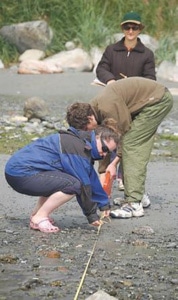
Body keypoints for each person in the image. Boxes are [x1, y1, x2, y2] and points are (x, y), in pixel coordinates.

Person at [67, 77, 173, 218]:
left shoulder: (108, 107)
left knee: (131, 144)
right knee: (128, 144)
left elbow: (122, 134)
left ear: (90, 119)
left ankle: (134, 204)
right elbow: (103, 144)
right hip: (143, 102)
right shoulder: (91, 110)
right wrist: (103, 171)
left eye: (86, 129)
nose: (87, 132)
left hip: (157, 100)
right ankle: (138, 195)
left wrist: (114, 163)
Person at [4, 124, 119, 233]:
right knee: (73, 185)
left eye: (108, 152)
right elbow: (84, 183)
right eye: (104, 148)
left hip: (18, 170)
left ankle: (36, 215)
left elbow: (91, 177)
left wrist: (103, 204)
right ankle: (40, 217)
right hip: (20, 173)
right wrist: (91, 215)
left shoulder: (82, 144)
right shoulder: (77, 148)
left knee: (59, 180)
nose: (104, 154)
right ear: (97, 137)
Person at [95, 11, 156, 191]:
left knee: (129, 141)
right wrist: (112, 81)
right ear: (123, 29)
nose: (130, 30)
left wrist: (131, 85)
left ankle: (124, 179)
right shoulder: (111, 50)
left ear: (139, 29)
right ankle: (104, 175)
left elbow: (150, 79)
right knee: (107, 135)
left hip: (134, 105)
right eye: (127, 27)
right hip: (112, 102)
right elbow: (101, 69)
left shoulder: (147, 54)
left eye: (134, 27)